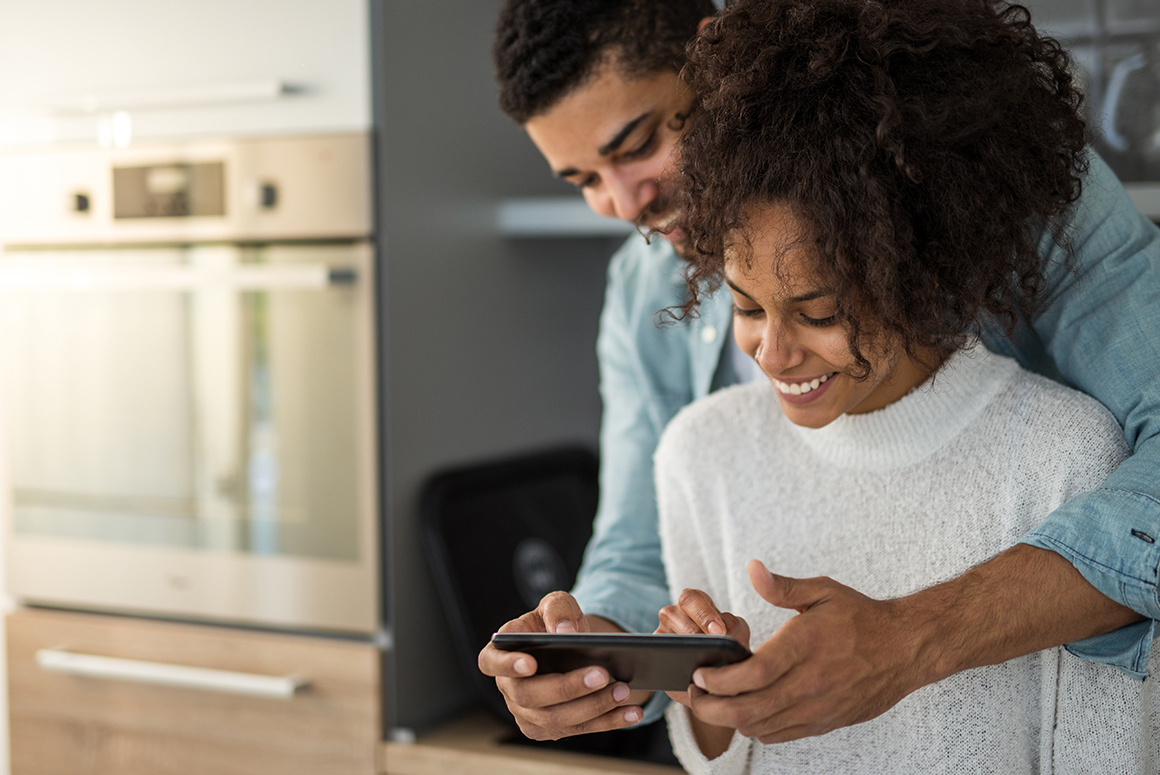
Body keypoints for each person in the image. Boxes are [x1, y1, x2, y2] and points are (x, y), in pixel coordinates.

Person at [479, 0, 1160, 745]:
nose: (622, 204)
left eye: (638, 143)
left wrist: (909, 639)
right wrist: (592, 650)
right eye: (584, 178)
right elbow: (638, 550)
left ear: (711, 60)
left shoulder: (1000, 193)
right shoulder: (648, 298)